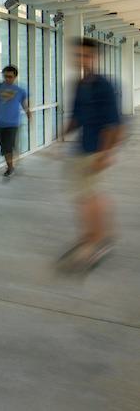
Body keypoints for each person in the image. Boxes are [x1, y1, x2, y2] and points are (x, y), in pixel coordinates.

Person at [58, 38, 124, 273]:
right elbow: (76, 117)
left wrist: (106, 154)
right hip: (80, 148)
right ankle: (92, 238)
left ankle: (96, 242)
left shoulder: (104, 85)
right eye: (78, 56)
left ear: (95, 57)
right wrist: (61, 136)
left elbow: (114, 124)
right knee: (84, 198)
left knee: (91, 197)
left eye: (86, 55)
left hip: (95, 150)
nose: (81, 60)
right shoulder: (79, 84)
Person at [0, 65, 31, 177]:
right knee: (4, 147)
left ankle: (10, 168)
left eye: (10, 76)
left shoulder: (20, 91)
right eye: (5, 76)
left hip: (13, 123)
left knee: (7, 147)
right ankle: (11, 164)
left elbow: (24, 104)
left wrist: (28, 113)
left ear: (15, 77)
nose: (7, 79)